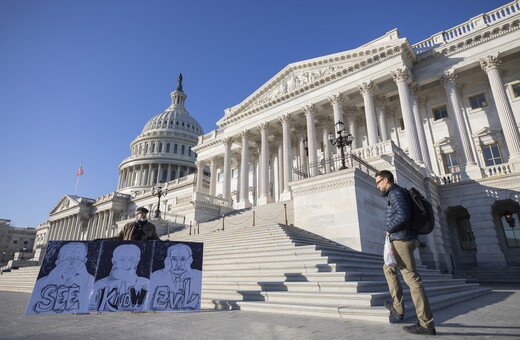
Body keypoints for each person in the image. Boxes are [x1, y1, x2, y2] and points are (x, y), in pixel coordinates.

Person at [375, 170, 436, 336]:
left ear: (386, 180)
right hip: (401, 237)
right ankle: (398, 307)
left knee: (412, 279)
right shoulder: (395, 193)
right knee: (388, 268)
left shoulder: (395, 193)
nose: (377, 186)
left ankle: (426, 323)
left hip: (402, 239)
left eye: (378, 182)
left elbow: (403, 214)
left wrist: (388, 229)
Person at [26, 242, 95, 314]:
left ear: (84, 261)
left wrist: (85, 275)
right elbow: (35, 298)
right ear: (58, 262)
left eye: (77, 259)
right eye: (67, 259)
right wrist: (50, 279)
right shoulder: (46, 281)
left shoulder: (88, 279)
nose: (72, 263)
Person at [89, 244, 149, 312]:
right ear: (114, 261)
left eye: (131, 259)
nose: (126, 264)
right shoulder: (100, 284)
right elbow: (91, 308)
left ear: (137, 262)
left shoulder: (145, 284)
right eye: (122, 259)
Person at [148, 243, 201, 310]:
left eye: (183, 259)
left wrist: (190, 272)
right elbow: (148, 303)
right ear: (167, 260)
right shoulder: (157, 275)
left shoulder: (198, 275)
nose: (178, 264)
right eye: (174, 259)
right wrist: (164, 271)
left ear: (190, 260)